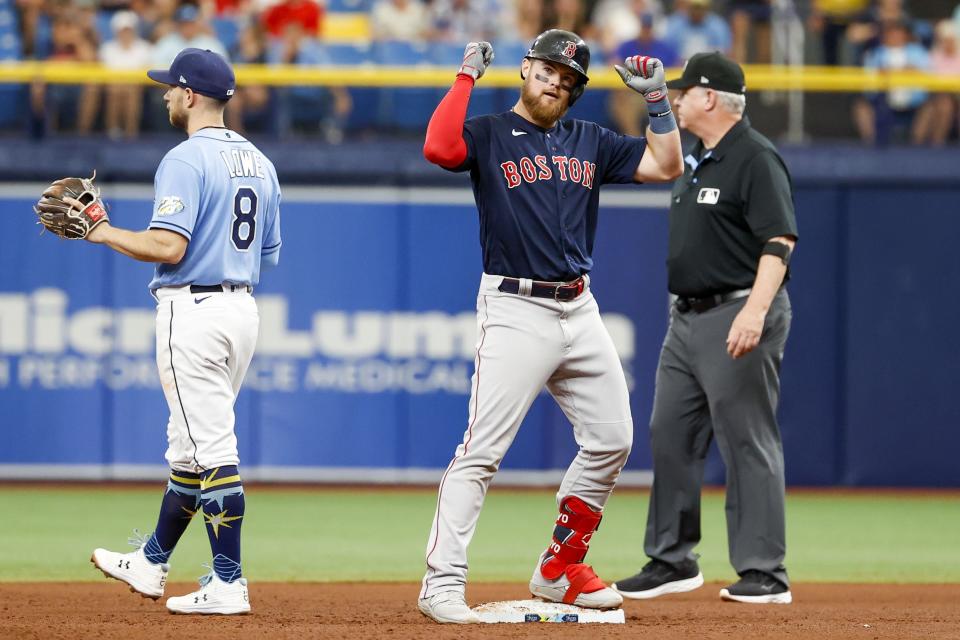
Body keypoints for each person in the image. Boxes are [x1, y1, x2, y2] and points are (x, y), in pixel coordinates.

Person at [417, 29, 683, 624]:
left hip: (579, 306)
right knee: (481, 452)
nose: (555, 84)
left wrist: (659, 104)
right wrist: (465, 78)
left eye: (567, 80)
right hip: (515, 307)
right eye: (547, 72)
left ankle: (561, 567)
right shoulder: (488, 133)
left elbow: (667, 164)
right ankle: (442, 582)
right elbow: (438, 148)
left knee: (613, 438)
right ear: (525, 70)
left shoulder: (590, 139)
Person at [88, 47, 282, 615]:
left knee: (212, 447)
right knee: (190, 446)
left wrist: (102, 231)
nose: (166, 95)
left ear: (191, 94)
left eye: (170, 87)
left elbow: (168, 246)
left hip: (193, 311)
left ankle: (228, 584)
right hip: (241, 310)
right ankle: (151, 562)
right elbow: (267, 254)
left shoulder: (184, 158)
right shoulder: (261, 162)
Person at [610, 51, 797, 605]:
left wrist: (755, 311)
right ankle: (672, 559)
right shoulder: (695, 157)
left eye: (684, 92)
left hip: (736, 312)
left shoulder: (755, 158)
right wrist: (651, 103)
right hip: (687, 318)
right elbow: (656, 151)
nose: (678, 99)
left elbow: (778, 242)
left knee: (748, 441)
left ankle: (765, 571)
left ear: (710, 97)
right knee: (669, 433)